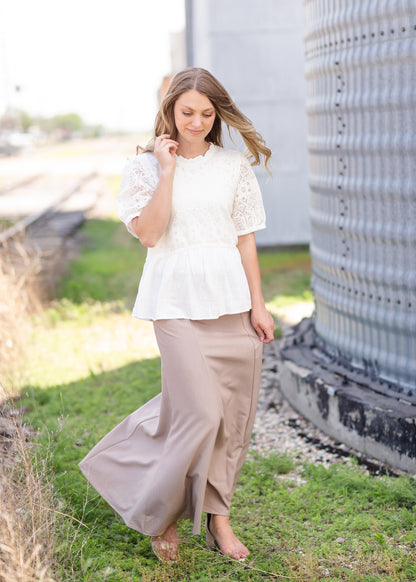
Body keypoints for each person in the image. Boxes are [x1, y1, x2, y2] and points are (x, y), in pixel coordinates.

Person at [79, 67, 274, 564]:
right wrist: (168, 171)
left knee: (231, 417)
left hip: (230, 303)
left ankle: (218, 519)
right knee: (198, 412)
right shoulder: (144, 167)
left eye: (207, 114)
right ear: (170, 110)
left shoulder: (233, 166)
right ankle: (161, 513)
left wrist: (259, 303)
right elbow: (149, 233)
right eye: (188, 112)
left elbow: (245, 238)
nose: (198, 122)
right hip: (175, 304)